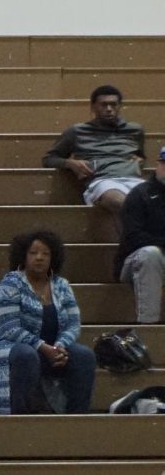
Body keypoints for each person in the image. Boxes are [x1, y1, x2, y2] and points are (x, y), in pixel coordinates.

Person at [0, 229, 95, 414]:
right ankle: (21, 419)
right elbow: (10, 328)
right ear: (23, 256)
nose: (39, 258)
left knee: (84, 356)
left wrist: (59, 346)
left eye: (45, 253)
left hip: (50, 349)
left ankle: (76, 417)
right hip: (9, 348)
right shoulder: (11, 284)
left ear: (53, 257)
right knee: (26, 355)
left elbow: (73, 324)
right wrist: (42, 347)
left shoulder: (62, 285)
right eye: (33, 253)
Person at [43, 84, 144, 215]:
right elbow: (48, 159)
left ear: (120, 106)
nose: (109, 109)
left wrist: (141, 160)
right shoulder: (77, 131)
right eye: (103, 105)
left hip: (134, 180)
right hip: (103, 181)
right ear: (93, 106)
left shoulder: (134, 130)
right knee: (116, 200)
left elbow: (140, 155)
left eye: (113, 104)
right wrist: (70, 163)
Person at [113, 146, 165, 323]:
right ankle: (148, 326)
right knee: (151, 254)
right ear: (159, 165)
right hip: (135, 261)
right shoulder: (140, 194)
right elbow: (134, 237)